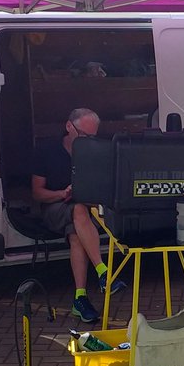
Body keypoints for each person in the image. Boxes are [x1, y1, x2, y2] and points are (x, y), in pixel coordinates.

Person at [31, 108, 126, 322]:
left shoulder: (96, 151)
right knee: (78, 210)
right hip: (54, 206)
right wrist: (61, 194)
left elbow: (104, 192)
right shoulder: (46, 150)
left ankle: (80, 298)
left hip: (85, 210)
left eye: (92, 137)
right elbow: (37, 193)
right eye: (83, 135)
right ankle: (103, 272)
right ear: (68, 126)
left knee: (76, 234)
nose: (87, 140)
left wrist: (85, 193)